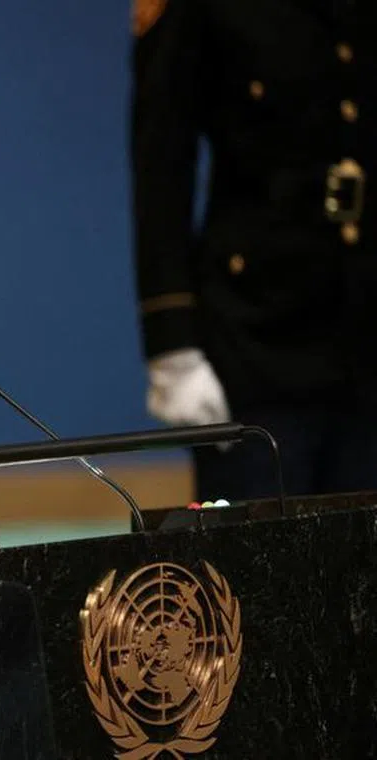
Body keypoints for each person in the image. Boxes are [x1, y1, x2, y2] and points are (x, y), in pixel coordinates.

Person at [129, 0, 377, 501]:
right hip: (256, 342)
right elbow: (162, 167)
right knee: (260, 570)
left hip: (365, 336)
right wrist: (171, 347)